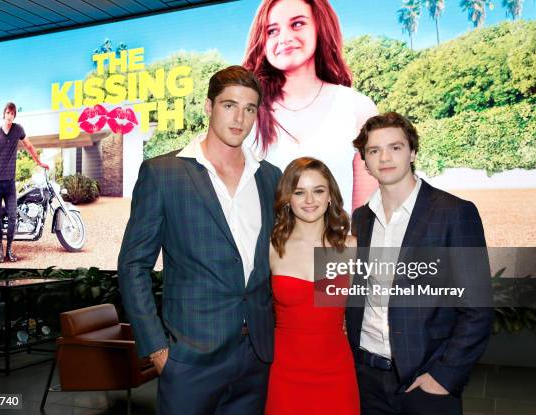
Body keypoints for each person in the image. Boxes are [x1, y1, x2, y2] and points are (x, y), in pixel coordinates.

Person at [117, 66, 281, 415]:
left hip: (257, 357)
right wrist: (159, 351)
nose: (240, 118)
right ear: (208, 106)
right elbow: (133, 266)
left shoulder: (270, 177)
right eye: (229, 105)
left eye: (250, 108)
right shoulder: (163, 173)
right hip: (189, 360)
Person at [346, 112, 493, 414]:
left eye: (395, 147)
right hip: (366, 379)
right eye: (374, 150)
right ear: (365, 160)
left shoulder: (454, 213)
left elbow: (477, 309)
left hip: (426, 381)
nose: (384, 157)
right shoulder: (361, 218)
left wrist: (443, 376)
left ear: (412, 152)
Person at [243, 0, 379, 215]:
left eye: (297, 24)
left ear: (320, 27)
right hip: (270, 248)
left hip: (336, 248)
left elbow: (365, 216)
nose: (284, 38)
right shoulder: (248, 112)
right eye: (272, 31)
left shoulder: (356, 107)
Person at [267, 157, 359, 415]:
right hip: (284, 373)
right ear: (288, 198)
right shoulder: (273, 247)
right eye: (299, 192)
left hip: (336, 371)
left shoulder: (350, 247)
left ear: (330, 196)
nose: (310, 200)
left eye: (318, 191)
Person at [0, 102, 49, 263]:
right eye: (8, 113)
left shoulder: (18, 130)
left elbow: (29, 146)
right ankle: (0, 250)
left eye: (12, 114)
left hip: (10, 184)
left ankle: (9, 250)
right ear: (4, 114)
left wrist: (39, 162)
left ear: (14, 116)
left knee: (13, 217)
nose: (10, 116)